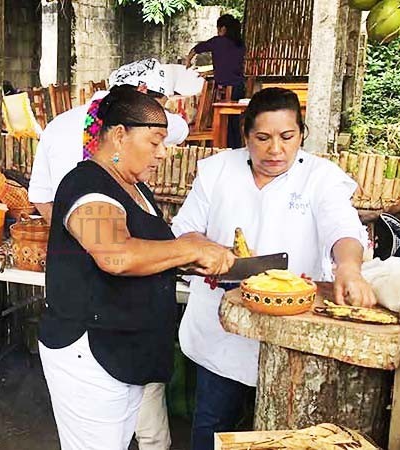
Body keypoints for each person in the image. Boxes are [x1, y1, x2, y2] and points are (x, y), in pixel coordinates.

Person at [170, 88, 377, 450]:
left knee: (285, 433)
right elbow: (185, 228)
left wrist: (348, 266)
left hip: (292, 332)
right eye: (262, 138)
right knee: (213, 423)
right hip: (222, 330)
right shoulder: (218, 171)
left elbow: (342, 228)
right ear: (245, 135)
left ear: (301, 134)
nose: (275, 150)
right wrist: (208, 249)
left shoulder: (320, 177)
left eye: (287, 137)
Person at [38, 87, 235, 450]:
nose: (163, 152)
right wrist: (188, 248)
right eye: (155, 141)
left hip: (127, 348)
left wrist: (192, 260)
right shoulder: (85, 185)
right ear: (118, 135)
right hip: (90, 352)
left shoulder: (134, 188)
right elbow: (116, 256)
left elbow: (148, 252)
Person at [30, 58, 189, 225]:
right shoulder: (143, 124)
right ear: (142, 91)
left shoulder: (57, 125)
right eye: (159, 108)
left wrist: (66, 233)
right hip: (122, 240)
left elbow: (40, 195)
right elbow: (181, 130)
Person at [185, 14, 246, 148]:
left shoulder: (218, 41)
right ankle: (236, 147)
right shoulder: (240, 44)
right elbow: (229, 66)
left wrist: (188, 60)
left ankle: (224, 146)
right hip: (240, 88)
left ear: (223, 28)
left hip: (226, 90)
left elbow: (196, 49)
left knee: (225, 122)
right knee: (234, 123)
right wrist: (211, 72)